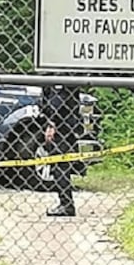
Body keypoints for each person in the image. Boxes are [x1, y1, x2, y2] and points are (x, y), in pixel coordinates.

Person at [42, 83, 80, 217]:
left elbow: (58, 101)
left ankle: (66, 205)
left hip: (62, 125)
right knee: (61, 164)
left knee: (59, 165)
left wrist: (52, 123)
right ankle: (66, 203)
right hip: (67, 123)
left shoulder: (59, 74)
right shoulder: (66, 73)